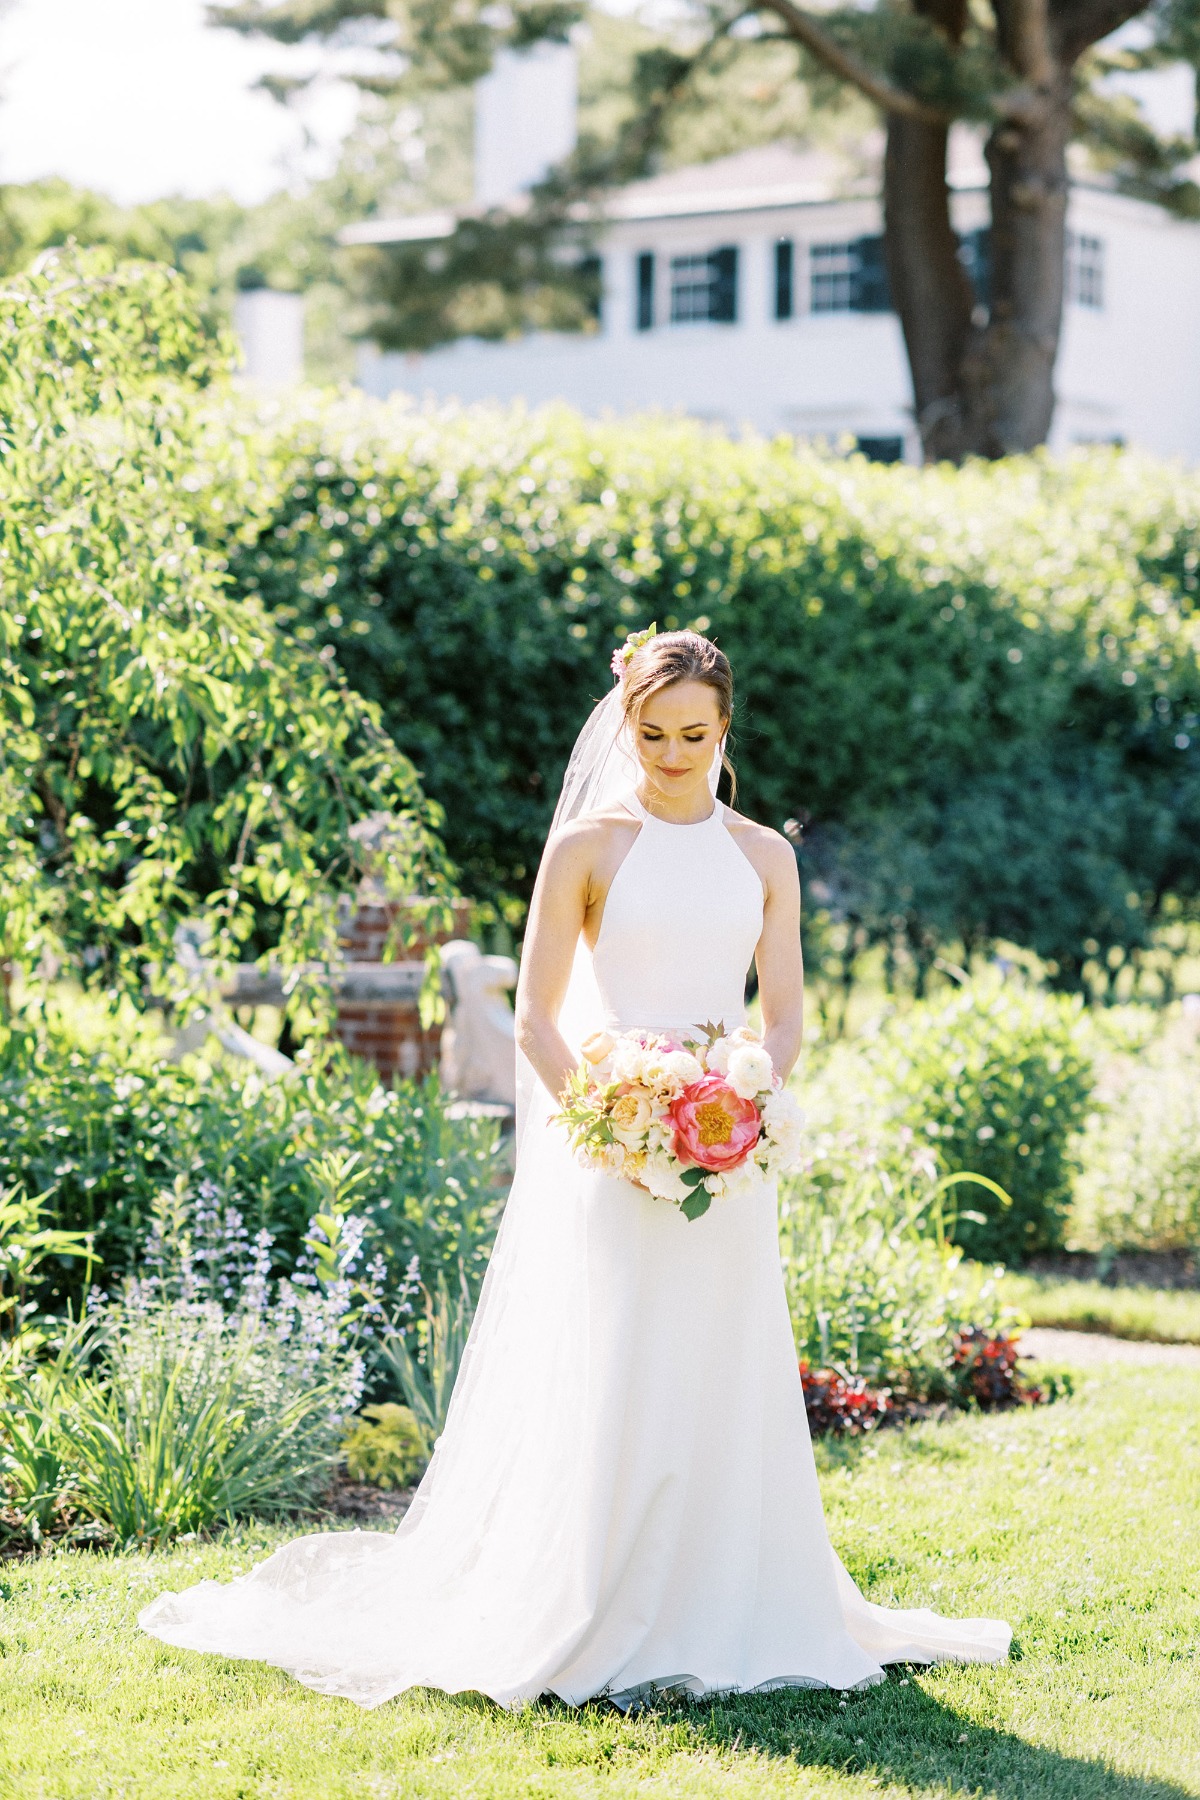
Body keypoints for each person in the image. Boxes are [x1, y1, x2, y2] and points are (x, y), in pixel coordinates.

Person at [140, 629, 1011, 1708]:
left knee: (721, 1363)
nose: (673, 753)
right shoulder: (589, 847)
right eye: (652, 734)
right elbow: (538, 1019)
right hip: (615, 1148)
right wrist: (616, 1119)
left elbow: (782, 1017)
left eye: (695, 734)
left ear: (726, 727)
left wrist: (739, 1102)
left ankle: (742, 1596)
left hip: (730, 1160)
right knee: (624, 1363)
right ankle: (598, 1599)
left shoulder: (764, 858)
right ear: (627, 723)